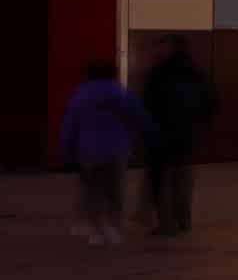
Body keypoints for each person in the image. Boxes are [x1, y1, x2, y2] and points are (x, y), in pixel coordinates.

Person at [58, 62, 149, 246]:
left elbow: (70, 124)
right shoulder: (123, 94)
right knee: (115, 190)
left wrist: (66, 150)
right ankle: (114, 228)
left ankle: (96, 230)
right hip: (118, 149)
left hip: (88, 150)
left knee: (92, 190)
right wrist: (147, 138)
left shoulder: (82, 95)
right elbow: (140, 118)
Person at [141, 36, 215, 236]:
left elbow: (148, 104)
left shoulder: (158, 74)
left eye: (161, 45)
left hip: (162, 134)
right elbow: (210, 102)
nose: (157, 50)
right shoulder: (196, 73)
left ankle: (167, 223)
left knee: (162, 180)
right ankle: (182, 219)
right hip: (187, 134)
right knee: (182, 179)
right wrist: (201, 125)